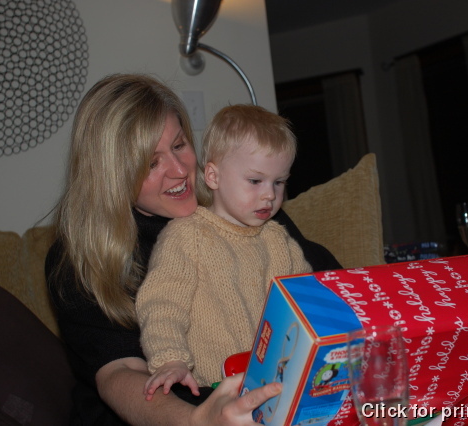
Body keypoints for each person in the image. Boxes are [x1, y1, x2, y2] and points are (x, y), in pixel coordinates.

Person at [45, 73, 342, 425]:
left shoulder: (248, 210)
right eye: (151, 163)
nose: (179, 170)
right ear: (112, 175)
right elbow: (119, 374)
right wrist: (198, 421)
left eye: (179, 145)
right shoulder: (80, 260)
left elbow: (324, 286)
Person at [136, 105, 312, 400]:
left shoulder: (279, 240)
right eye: (255, 181)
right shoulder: (186, 236)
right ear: (213, 176)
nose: (270, 194)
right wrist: (170, 359)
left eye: (279, 182)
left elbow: (308, 300)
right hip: (216, 391)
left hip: (279, 385)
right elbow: (162, 304)